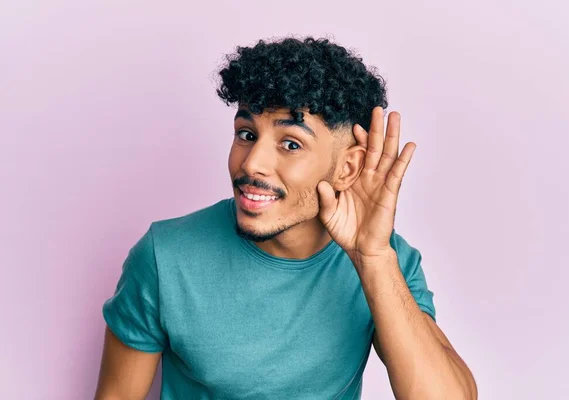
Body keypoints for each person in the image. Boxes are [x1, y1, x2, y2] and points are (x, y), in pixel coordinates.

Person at [95, 36, 477, 400]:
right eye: (246, 134)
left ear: (347, 168)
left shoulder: (386, 261)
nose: (252, 163)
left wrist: (374, 260)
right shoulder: (166, 255)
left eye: (290, 144)